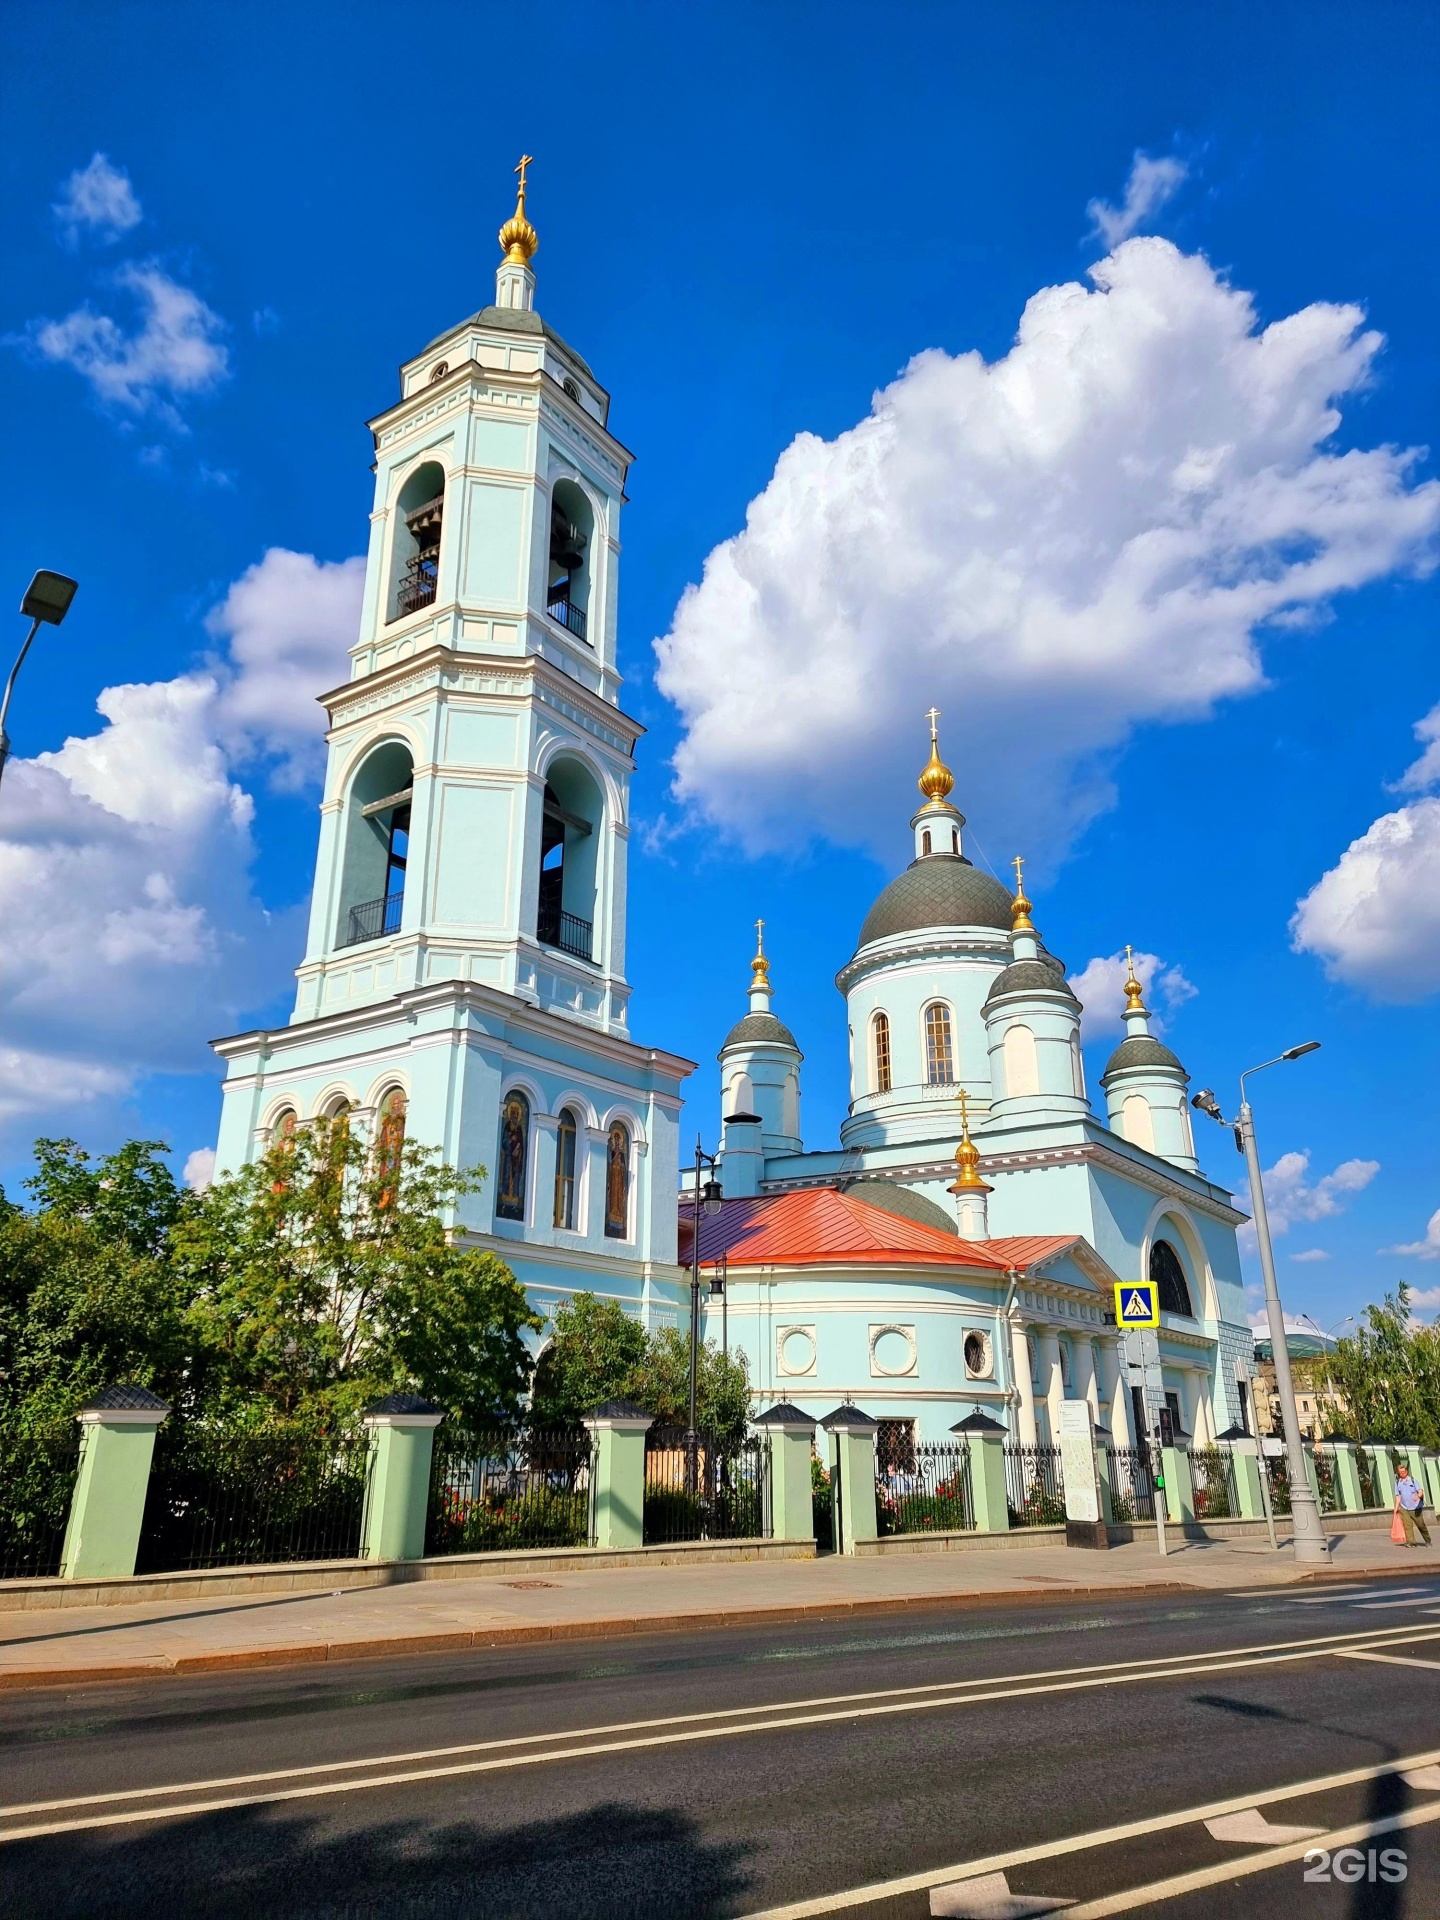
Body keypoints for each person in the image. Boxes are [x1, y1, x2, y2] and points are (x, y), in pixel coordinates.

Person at [1394, 1460, 1431, 1547]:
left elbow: (1420, 1491)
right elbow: (1398, 1496)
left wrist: (1418, 1496)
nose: (1403, 1473)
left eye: (1404, 1471)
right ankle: (1411, 1543)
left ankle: (1427, 1540)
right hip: (1404, 1508)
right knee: (1408, 1526)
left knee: (1421, 1525)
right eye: (1401, 1472)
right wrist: (1396, 1508)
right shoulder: (1397, 1483)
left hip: (1415, 1508)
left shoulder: (1413, 1480)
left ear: (1406, 1471)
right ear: (1399, 1473)